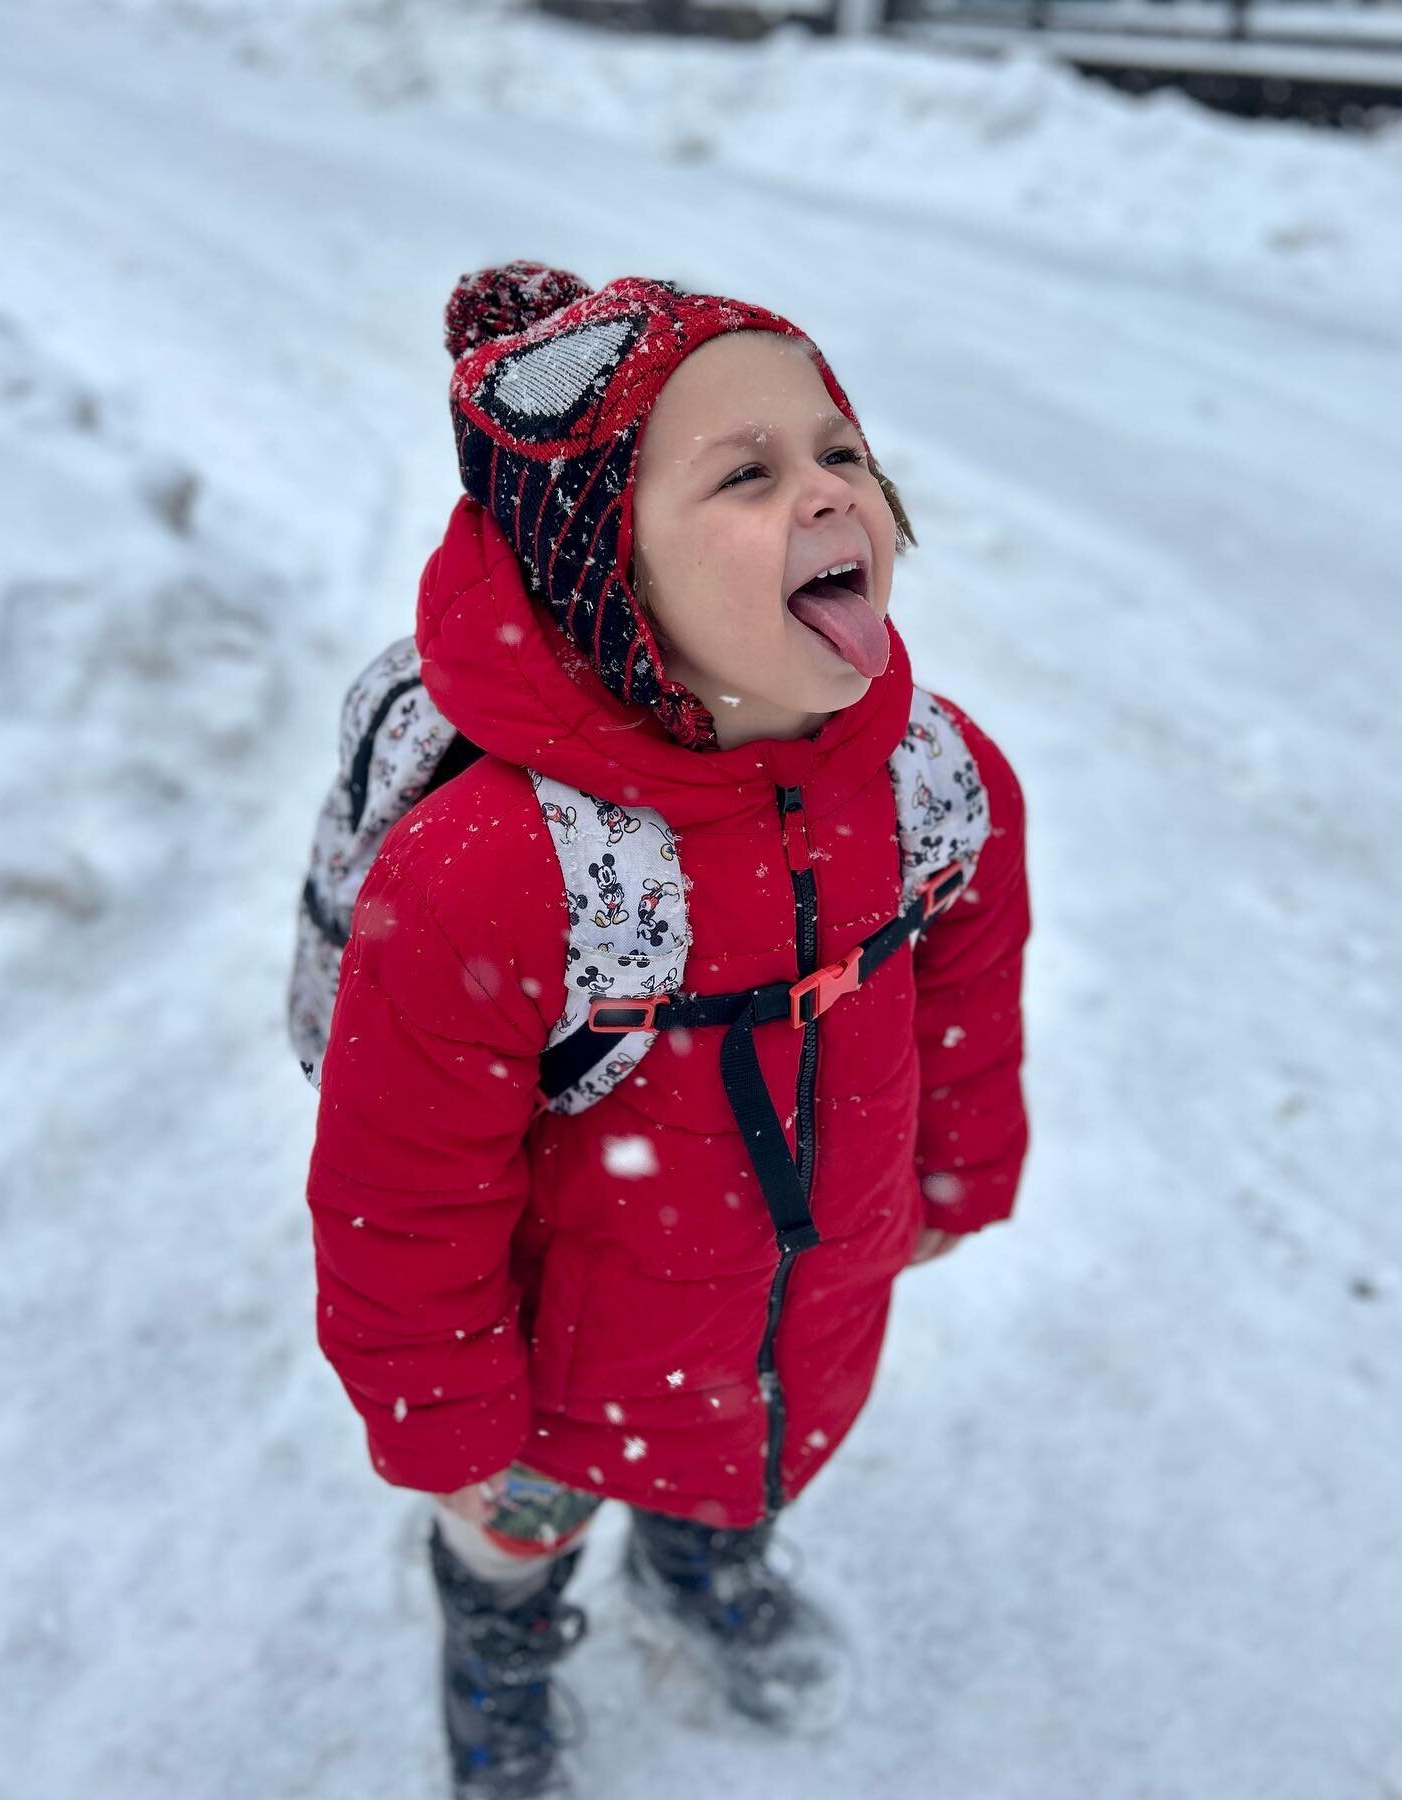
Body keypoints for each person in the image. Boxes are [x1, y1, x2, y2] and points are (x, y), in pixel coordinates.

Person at [304, 260, 1031, 1800]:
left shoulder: (931, 778)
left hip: (799, 1295)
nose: (832, 492)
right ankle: (499, 1668)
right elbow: (403, 1187)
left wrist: (959, 1172)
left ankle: (702, 1572)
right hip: (553, 1366)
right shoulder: (497, 873)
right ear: (603, 566)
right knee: (517, 1533)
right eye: (746, 474)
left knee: (744, 1462)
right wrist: (447, 1418)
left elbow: (969, 987)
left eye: (840, 450)